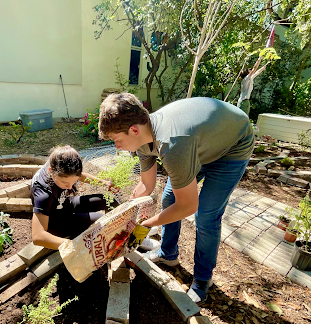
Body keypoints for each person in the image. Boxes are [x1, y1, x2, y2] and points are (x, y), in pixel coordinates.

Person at [98, 93, 254, 303]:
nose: (116, 146)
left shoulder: (172, 144)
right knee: (169, 199)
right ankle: (168, 253)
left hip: (232, 146)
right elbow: (147, 184)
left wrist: (145, 225)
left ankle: (202, 279)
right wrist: (126, 213)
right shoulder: (143, 138)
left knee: (206, 216)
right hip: (198, 142)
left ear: (133, 130)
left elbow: (188, 206)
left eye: (117, 140)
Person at [31, 145, 159, 251]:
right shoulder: (43, 193)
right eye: (65, 183)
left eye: (73, 182)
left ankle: (130, 231)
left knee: (109, 200)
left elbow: (79, 176)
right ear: (51, 171)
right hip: (56, 220)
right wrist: (74, 246)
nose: (70, 187)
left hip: (64, 204)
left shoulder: (59, 161)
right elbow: (37, 236)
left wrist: (103, 183)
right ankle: (128, 240)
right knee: (101, 222)